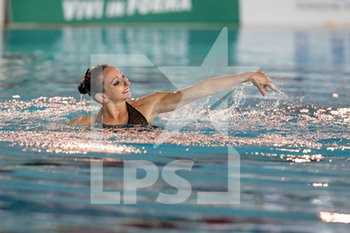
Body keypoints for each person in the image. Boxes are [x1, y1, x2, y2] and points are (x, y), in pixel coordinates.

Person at [69, 64, 278, 126]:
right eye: (117, 82)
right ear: (102, 97)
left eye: (123, 76)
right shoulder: (85, 124)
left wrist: (248, 76)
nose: (127, 82)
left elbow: (201, 89)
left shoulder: (148, 106)